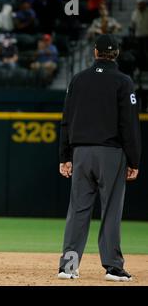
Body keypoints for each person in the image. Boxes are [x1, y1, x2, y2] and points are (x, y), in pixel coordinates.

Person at [58, 34, 141, 282]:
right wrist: (134, 160)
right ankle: (113, 268)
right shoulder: (124, 82)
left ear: (95, 53)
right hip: (111, 154)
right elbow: (129, 125)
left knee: (78, 211)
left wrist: (65, 156)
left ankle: (68, 267)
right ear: (115, 53)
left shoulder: (78, 80)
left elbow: (66, 120)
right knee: (111, 211)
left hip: (81, 153)